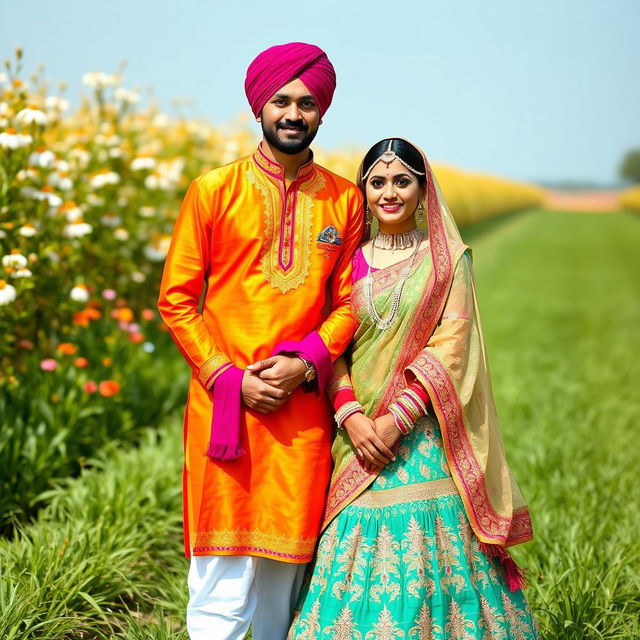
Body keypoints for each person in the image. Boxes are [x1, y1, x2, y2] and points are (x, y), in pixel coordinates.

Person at [288, 138, 539, 638]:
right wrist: (352, 416)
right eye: (377, 182)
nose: (389, 193)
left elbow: (452, 343)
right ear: (364, 189)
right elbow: (331, 341)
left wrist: (394, 419)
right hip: (354, 431)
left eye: (402, 181)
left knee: (431, 555)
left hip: (420, 433)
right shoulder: (346, 260)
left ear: (423, 190)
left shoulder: (446, 262)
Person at [157, 42, 364, 640]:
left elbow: (350, 302)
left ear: (321, 111)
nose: (293, 113)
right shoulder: (213, 191)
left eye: (306, 102)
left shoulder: (344, 200)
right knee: (219, 581)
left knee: (286, 581)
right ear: (259, 107)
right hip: (226, 408)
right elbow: (177, 301)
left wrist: (304, 365)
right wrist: (230, 377)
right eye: (281, 101)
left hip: (299, 411)